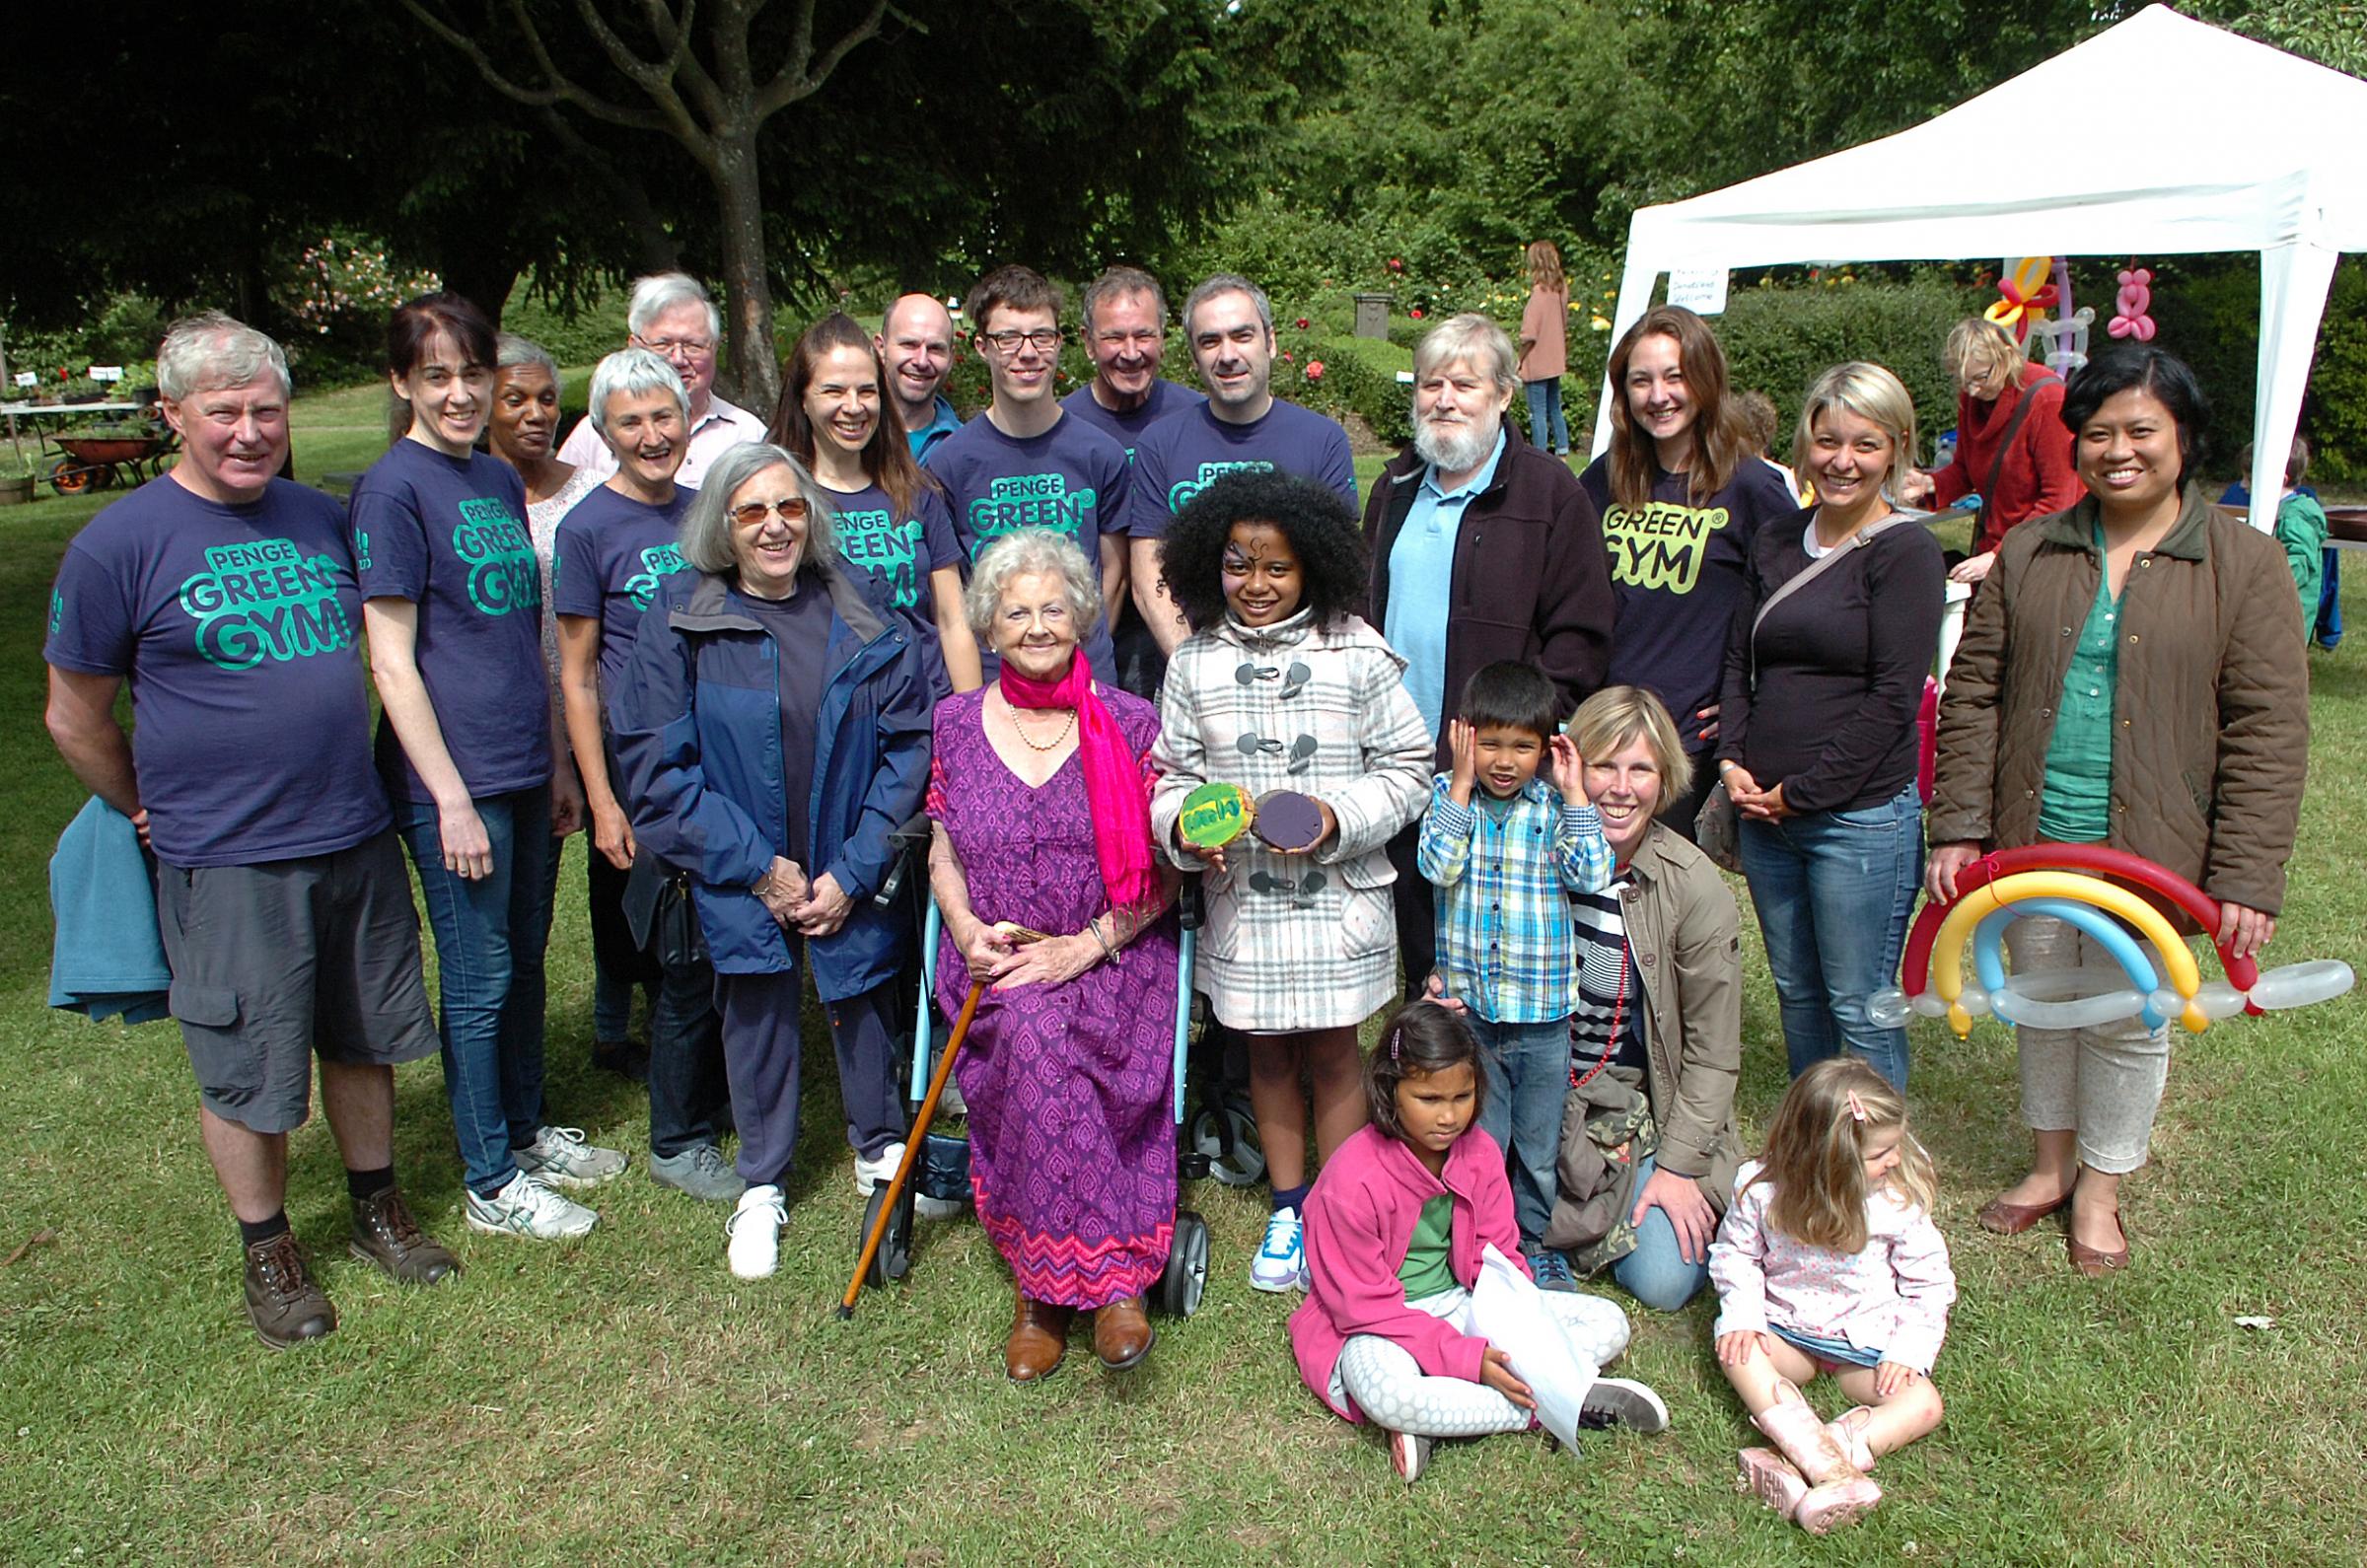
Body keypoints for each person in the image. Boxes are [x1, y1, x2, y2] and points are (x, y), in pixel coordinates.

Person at [43, 312, 458, 1348]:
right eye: (222, 412)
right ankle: (268, 1248)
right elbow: (73, 714)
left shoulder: (322, 518)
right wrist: (142, 802)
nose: (247, 431)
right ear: (172, 415)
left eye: (265, 410)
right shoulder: (117, 546)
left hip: (351, 829)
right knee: (248, 1063)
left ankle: (376, 1205)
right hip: (228, 856)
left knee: (365, 1037)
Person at [1927, 344, 2307, 1276]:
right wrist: (1960, 825)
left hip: (2160, 844)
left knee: (2131, 1012)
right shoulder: (2030, 547)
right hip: (2033, 832)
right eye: (2099, 433)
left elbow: (2269, 730)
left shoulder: (2244, 564)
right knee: (2042, 1000)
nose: (2119, 450)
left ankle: (2102, 1185)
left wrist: (2247, 874)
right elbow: (1974, 693)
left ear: (2184, 439)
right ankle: (2050, 1167)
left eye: (2142, 430)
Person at [610, 443, 932, 1279]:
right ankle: (763, 1182)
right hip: (736, 860)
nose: (774, 525)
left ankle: (880, 1146)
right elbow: (655, 770)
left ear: (811, 516)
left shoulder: (860, 606)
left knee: (859, 987)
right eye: (752, 511)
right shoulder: (679, 616)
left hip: (843, 852)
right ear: (723, 524)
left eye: (789, 507)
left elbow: (907, 748)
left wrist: (852, 871)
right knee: (753, 1005)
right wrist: (759, 869)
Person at [356, 292, 624, 1241]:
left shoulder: (494, 480)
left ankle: (521, 1129)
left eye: (471, 374)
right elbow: (391, 658)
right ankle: (486, 1180)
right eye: (437, 376)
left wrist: (555, 760)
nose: (461, 393)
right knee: (477, 978)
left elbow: (524, 638)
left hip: (521, 763)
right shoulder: (393, 490)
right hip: (453, 783)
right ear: (402, 383)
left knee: (522, 968)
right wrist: (448, 799)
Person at [1151, 470, 1432, 1293]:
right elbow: (1169, 777)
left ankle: (1340, 1213)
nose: (1257, 584)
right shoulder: (1194, 663)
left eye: (1276, 567)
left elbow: (1412, 766)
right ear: (1212, 566)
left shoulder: (1359, 652)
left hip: (1339, 901)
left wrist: (1338, 817)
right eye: (1239, 565)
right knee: (1267, 1054)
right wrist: (1186, 825)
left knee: (1338, 1053)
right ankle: (1289, 1206)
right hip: (1246, 901)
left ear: (1312, 564)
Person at [924, 528, 1181, 1379]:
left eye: (1054, 609)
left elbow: (1169, 875)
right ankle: (1099, 1287)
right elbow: (943, 849)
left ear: (1082, 620)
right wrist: (964, 929)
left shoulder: (1134, 723)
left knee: (1049, 1034)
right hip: (995, 961)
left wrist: (1084, 947)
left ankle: (1061, 1292)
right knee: (1032, 1031)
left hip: (1113, 959)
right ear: (988, 630)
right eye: (1015, 612)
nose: (1036, 626)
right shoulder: (955, 724)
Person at [1287, 1002, 1666, 1486]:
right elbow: (1363, 1308)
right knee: (1387, 1393)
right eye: (1428, 1098)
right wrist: (1467, 1359)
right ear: (1389, 1090)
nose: (1448, 1116)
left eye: (1462, 1096)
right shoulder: (1350, 1180)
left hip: (1467, 1304)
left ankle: (1437, 1420)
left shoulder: (1480, 1152)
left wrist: (1519, 1331)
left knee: (1608, 1322)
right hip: (1381, 1326)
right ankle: (1554, 1403)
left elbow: (1500, 1258)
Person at [1368, 312, 1614, 1000]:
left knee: (1482, 948)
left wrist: (1522, 739)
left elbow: (1581, 636)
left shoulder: (1549, 493)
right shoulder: (1393, 489)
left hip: (1493, 772)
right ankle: (1422, 1086)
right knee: (1419, 952)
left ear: (1505, 394)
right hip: (1396, 759)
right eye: (1430, 384)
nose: (1443, 399)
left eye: (1464, 385)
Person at [1719, 362, 1944, 1092]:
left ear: (1895, 450)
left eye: (1865, 445)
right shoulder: (1777, 539)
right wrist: (1732, 761)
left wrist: (1805, 792)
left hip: (1859, 818)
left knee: (1861, 1004)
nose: (1842, 462)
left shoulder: (1906, 552)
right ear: (1803, 444)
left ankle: (1878, 1167)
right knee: (1799, 994)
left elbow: (1892, 698)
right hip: (1766, 815)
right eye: (1826, 441)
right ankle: (1816, 1148)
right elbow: (1738, 659)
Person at [552, 348, 743, 1203]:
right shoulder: (588, 530)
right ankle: (679, 1137)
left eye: (664, 416)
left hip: (723, 758)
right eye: (630, 421)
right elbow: (578, 674)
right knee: (679, 955)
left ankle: (722, 1095)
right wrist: (601, 799)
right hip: (646, 771)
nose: (652, 434)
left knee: (731, 940)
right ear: (603, 431)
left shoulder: (708, 512)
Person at [1414, 661, 1611, 1285]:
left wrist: (1576, 790)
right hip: (1474, 1017)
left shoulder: (1554, 808)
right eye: (1490, 743)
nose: (1505, 760)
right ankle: (1484, 1243)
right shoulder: (1450, 799)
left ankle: (1536, 1240)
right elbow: (1436, 868)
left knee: (1537, 1146)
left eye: (1523, 746)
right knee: (1484, 1143)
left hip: (1544, 1021)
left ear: (1548, 747)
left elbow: (1591, 873)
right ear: (1464, 737)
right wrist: (1461, 787)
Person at [1580, 307, 1799, 843]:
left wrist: (1748, 701)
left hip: (1686, 740)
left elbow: (1792, 610)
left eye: (1675, 376)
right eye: (1641, 381)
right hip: (1603, 732)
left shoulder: (1750, 487)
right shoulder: (1603, 480)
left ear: (1705, 380)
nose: (1659, 396)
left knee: (1661, 900)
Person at [1710, 1059, 1952, 1535]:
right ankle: (1831, 1473)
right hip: (1788, 1334)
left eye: (1895, 1146)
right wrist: (1743, 1315)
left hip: (1863, 1347)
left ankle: (1803, 1459)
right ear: (1827, 1160)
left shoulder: (1894, 1204)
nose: (1895, 1160)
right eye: (1881, 1153)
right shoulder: (1763, 1191)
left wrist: (1908, 1351)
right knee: (1738, 1351)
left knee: (1923, 1404)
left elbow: (1930, 1284)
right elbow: (1736, 1255)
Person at [489, 334, 643, 1077]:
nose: (534, 414)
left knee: (616, 879)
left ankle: (614, 1027)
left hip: (604, 714)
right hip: (528, 723)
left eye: (546, 399)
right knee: (529, 912)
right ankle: (519, 1069)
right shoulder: (478, 499)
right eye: (514, 399)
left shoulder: (588, 487)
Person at [1129, 273, 1357, 656]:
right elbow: (1148, 576)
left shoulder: (1322, 439)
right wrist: (1194, 667)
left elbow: (1336, 573)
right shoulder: (1159, 444)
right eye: (1210, 341)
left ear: (1270, 342)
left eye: (1242, 336)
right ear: (1193, 356)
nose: (1228, 355)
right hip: (1192, 663)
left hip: (1299, 669)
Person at [924, 266, 1131, 681]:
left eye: (1042, 336)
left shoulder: (1101, 454)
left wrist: (1065, 654)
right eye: (1009, 338)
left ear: (1058, 342)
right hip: (994, 682)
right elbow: (950, 600)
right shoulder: (948, 464)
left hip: (1085, 680)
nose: (1028, 352)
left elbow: (1115, 577)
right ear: (982, 346)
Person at [770, 311, 979, 696]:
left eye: (866, 391)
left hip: (924, 704)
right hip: (832, 711)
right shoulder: (779, 502)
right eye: (833, 391)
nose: (853, 407)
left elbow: (952, 619)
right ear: (802, 399)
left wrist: (966, 723)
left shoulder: (915, 491)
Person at [1059, 265, 1207, 697]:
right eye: (1113, 338)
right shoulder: (1064, 426)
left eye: (1143, 335)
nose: (1130, 352)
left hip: (1188, 622)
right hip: (1100, 635)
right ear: (1087, 342)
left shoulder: (1197, 417)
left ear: (1163, 336)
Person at [1900, 318, 2083, 585]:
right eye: (1963, 381)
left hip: (2042, 557)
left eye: (1981, 378)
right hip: (1997, 547)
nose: (1972, 389)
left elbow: (2060, 500)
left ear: (2007, 357)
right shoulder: (1974, 398)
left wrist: (1998, 556)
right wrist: (1930, 483)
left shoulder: (2048, 399)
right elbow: (1965, 469)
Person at [556, 272, 765, 488]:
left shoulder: (747, 434)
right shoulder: (593, 436)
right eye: (662, 344)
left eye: (693, 345)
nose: (678, 359)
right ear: (634, 346)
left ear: (714, 348)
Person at [877, 293, 963, 460]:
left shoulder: (964, 447)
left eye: (935, 348)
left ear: (951, 358)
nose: (921, 361)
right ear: (880, 348)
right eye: (909, 344)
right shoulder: (850, 437)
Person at [1515, 241, 1570, 457]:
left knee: (1537, 412)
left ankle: (1540, 454)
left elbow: (1529, 334)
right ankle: (1562, 450)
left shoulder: (1539, 293)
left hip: (1537, 361)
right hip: (1555, 359)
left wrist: (1519, 359)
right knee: (1554, 407)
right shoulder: (1560, 290)